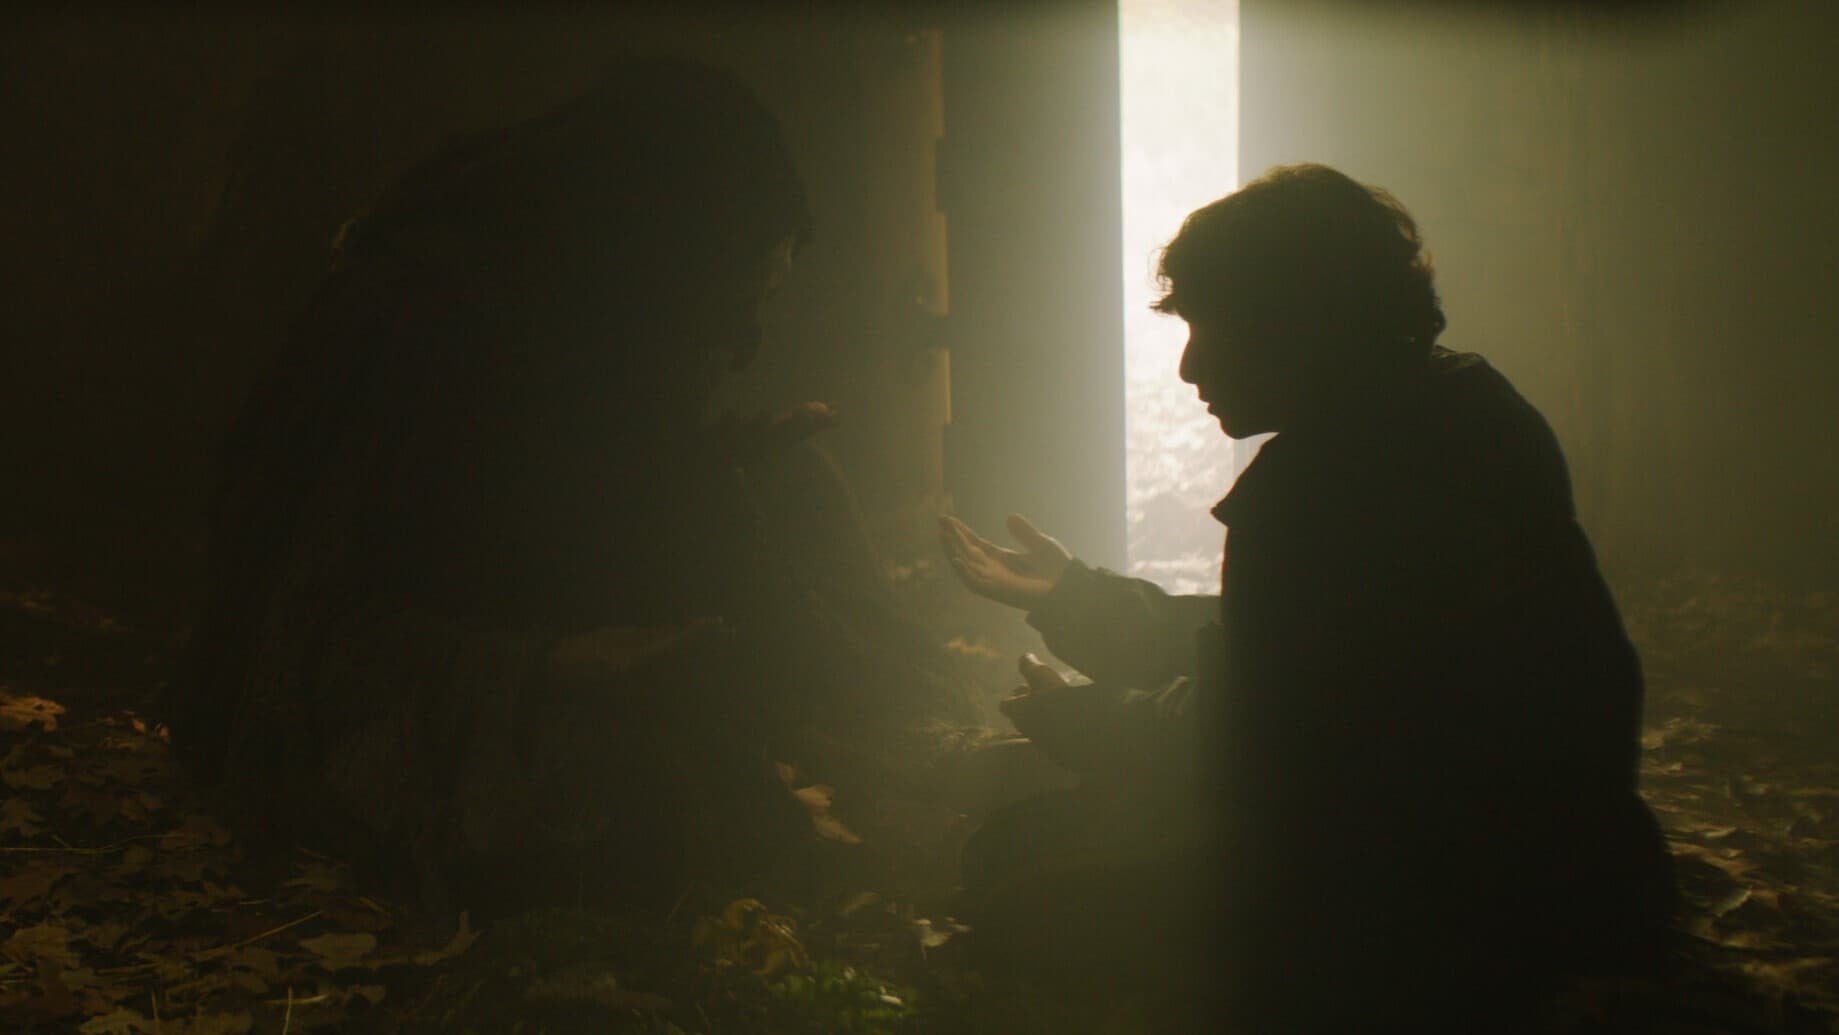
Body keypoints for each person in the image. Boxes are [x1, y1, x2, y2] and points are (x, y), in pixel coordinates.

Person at [166, 55, 975, 918]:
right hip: (389, 717)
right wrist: (546, 664)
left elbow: (571, 491)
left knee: (791, 483)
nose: (744, 340)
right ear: (666, 251)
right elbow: (302, 650)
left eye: (763, 296)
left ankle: (909, 728)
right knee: (639, 791)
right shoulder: (429, 331)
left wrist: (724, 463)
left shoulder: (591, 316)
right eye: (734, 291)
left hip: (519, 649)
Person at [941, 163, 1676, 1030]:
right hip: (1564, 860)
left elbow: (1255, 744)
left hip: (1429, 904)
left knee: (1008, 876)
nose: (1188, 366)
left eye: (1208, 326)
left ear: (1294, 325)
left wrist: (1080, 719)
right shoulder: (1461, 409)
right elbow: (1288, 656)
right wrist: (1076, 596)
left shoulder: (1325, 485)